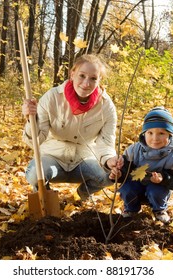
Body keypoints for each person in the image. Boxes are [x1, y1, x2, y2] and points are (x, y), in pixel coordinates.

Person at [22, 54, 117, 201]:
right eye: (82, 76)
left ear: (99, 80)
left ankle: (83, 194)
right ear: (72, 74)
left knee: (109, 176)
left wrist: (109, 160)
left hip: (84, 160)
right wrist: (31, 119)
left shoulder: (106, 106)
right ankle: (45, 199)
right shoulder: (52, 97)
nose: (86, 83)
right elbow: (36, 140)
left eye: (93, 78)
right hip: (52, 157)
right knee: (35, 174)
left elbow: (106, 143)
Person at [108, 107, 173, 223]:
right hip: (136, 186)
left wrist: (164, 179)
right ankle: (131, 209)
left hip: (157, 188)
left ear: (170, 135)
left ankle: (159, 210)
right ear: (144, 133)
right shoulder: (133, 150)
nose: (155, 138)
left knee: (155, 191)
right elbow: (125, 171)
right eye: (150, 133)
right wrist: (118, 174)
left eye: (161, 133)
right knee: (126, 189)